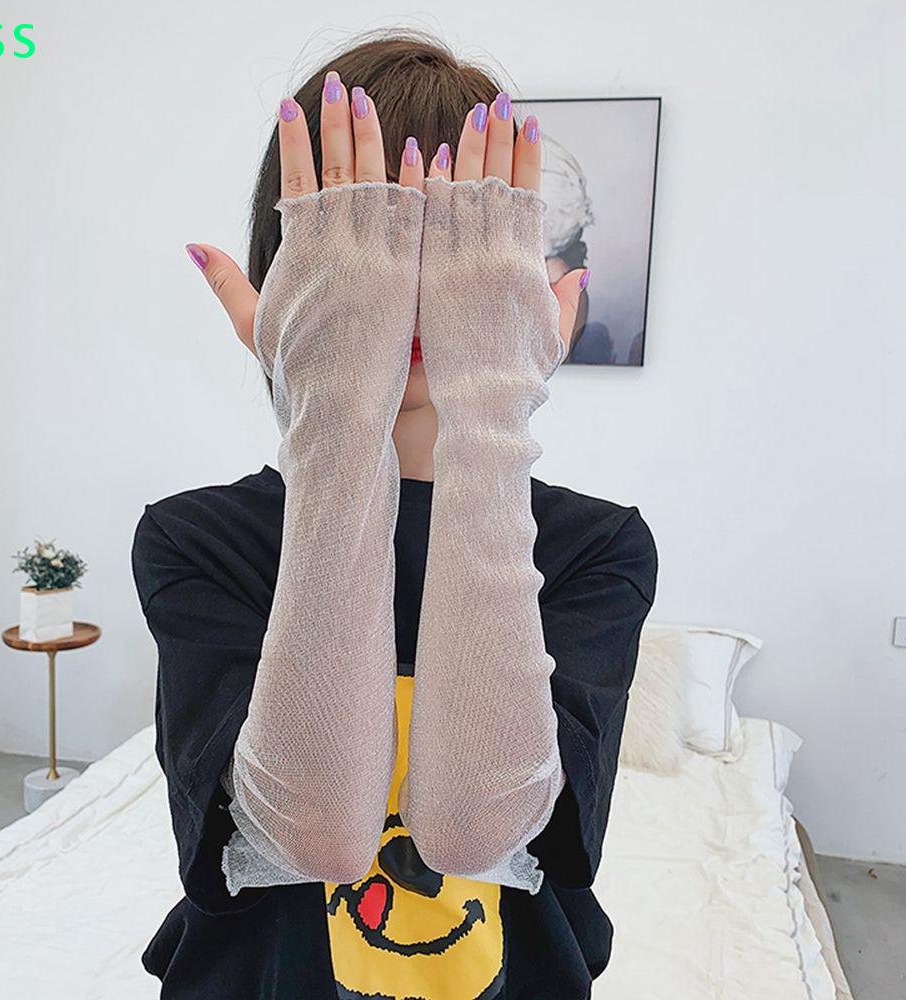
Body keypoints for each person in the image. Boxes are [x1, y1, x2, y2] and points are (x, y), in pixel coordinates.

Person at [131, 32, 657, 1000]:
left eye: (460, 241)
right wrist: (336, 412)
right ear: (291, 270)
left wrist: (489, 408)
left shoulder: (597, 547)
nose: (406, 289)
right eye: (362, 238)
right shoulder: (195, 539)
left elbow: (474, 829)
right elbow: (316, 836)